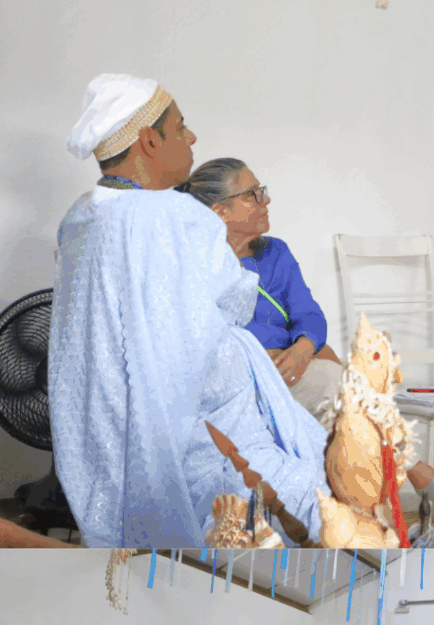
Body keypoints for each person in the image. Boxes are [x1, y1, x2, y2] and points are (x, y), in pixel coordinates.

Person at [50, 73, 329, 547]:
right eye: (181, 127)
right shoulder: (178, 216)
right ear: (149, 140)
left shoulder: (79, 217)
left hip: (105, 437)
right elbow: (232, 305)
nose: (192, 137)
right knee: (312, 492)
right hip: (201, 428)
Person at [180, 158, 434, 518]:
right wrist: (271, 357)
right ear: (221, 211)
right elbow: (206, 336)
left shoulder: (275, 252)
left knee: (338, 387)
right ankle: (417, 475)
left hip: (297, 366)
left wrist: (304, 348)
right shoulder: (196, 265)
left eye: (262, 191)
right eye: (252, 194)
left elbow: (309, 314)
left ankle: (391, 500)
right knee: (339, 386)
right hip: (248, 380)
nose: (266, 200)